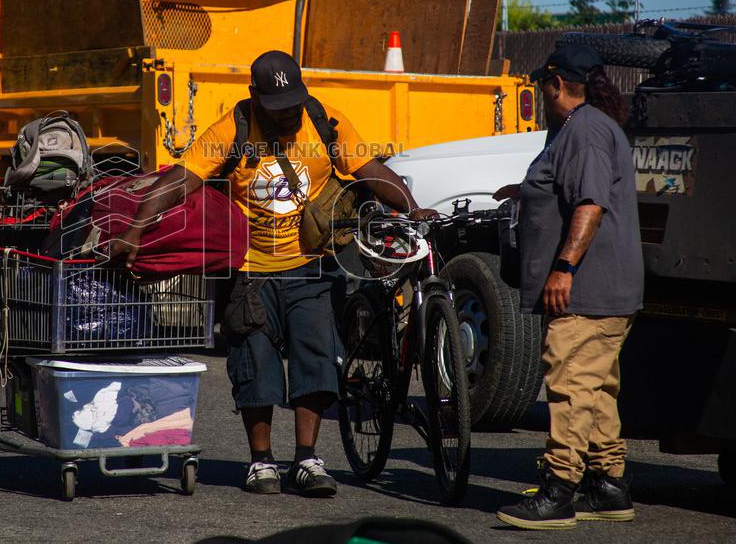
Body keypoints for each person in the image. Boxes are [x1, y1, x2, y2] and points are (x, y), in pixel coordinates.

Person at [108, 50, 435, 497]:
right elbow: (181, 178)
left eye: (294, 105)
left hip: (312, 265)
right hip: (251, 272)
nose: (288, 117)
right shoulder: (232, 129)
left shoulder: (325, 122)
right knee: (255, 364)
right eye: (278, 109)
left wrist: (412, 208)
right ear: (254, 98)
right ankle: (260, 461)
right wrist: (135, 228)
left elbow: (368, 169)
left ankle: (306, 458)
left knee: (316, 358)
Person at [494, 44, 643, 529]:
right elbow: (570, 191)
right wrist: (526, 193)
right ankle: (608, 486)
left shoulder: (584, 131)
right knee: (595, 389)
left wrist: (564, 268)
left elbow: (591, 203)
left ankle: (559, 492)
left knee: (569, 384)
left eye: (542, 86)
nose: (541, 94)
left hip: (587, 289)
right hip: (597, 288)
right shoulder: (582, 129)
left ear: (557, 85)